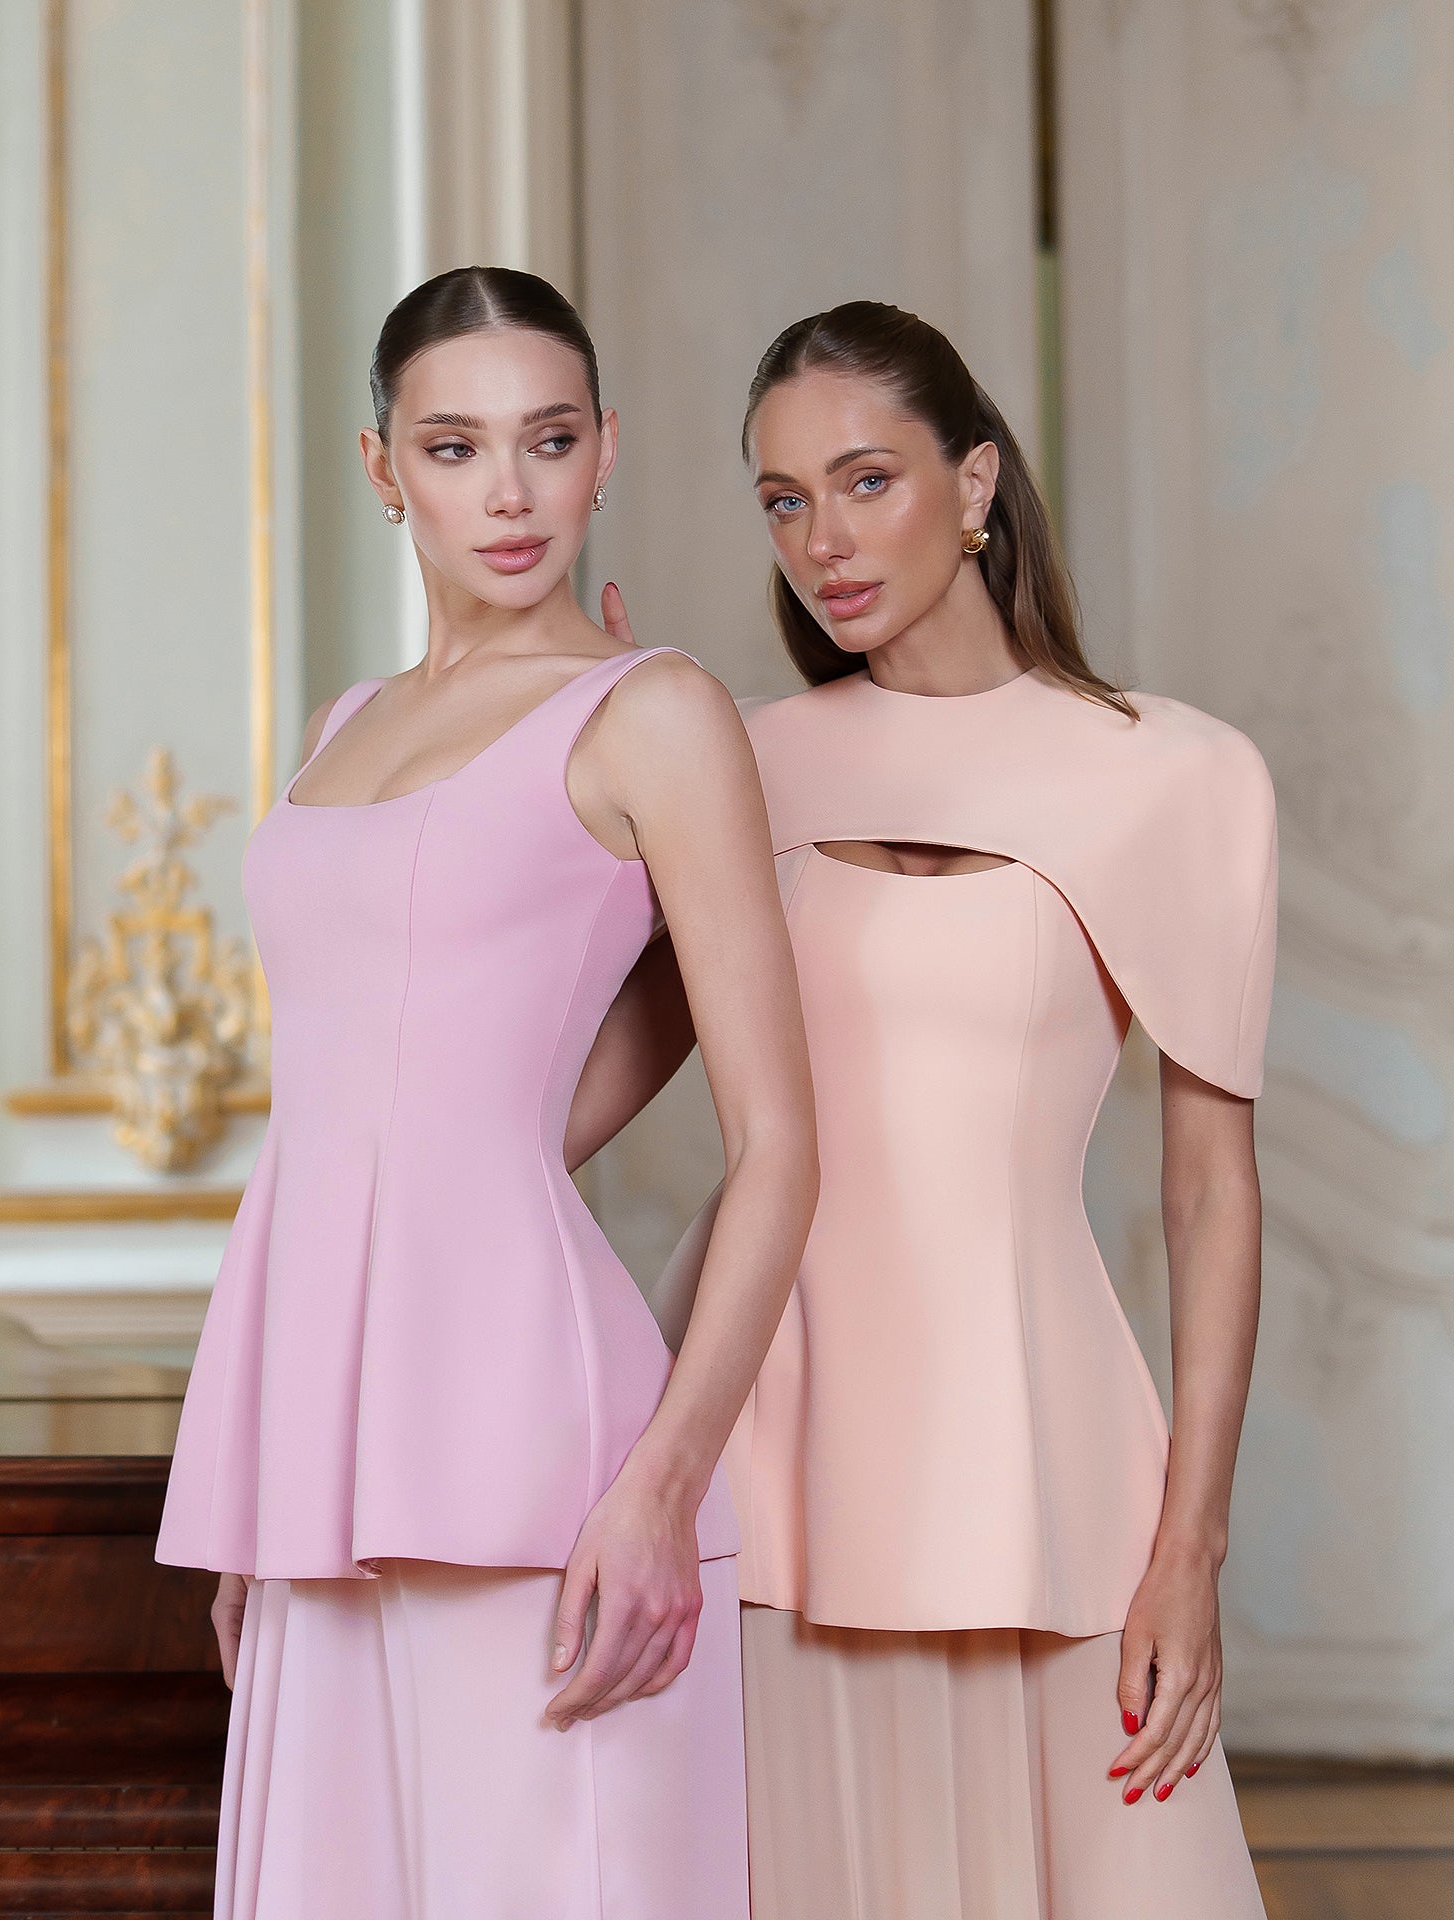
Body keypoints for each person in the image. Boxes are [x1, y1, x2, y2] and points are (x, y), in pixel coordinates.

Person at [155, 266, 818, 1920]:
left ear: (608, 450)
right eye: (455, 447)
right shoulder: (344, 724)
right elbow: (394, 1106)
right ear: (383, 467)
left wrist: (664, 1483)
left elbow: (782, 1145)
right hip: (325, 1441)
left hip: (539, 1437)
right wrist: (258, 1493)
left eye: (550, 439)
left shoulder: (655, 712)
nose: (510, 492)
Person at [596, 300, 1273, 1916]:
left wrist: (1191, 1545)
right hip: (764, 1446)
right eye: (783, 500)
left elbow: (1210, 1192)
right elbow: (568, 1099)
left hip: (1036, 1457)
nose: (822, 542)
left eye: (865, 481)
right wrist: (574, 720)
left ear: (974, 482)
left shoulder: (1175, 776)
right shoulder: (736, 756)